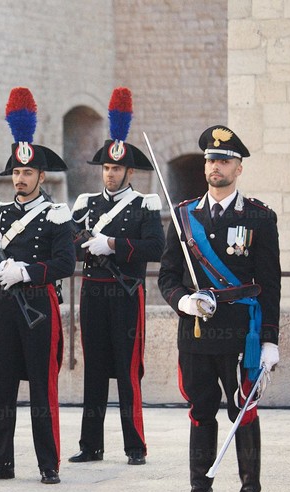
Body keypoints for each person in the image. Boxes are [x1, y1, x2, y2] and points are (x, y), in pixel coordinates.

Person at [158, 125, 280, 492]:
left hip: (242, 334)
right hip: (195, 332)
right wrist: (183, 302)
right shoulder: (183, 216)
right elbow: (167, 277)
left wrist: (271, 340)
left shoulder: (259, 218)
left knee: (243, 412)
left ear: (238, 168)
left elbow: (270, 284)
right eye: (211, 159)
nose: (216, 166)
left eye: (224, 161)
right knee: (200, 411)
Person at [0, 88, 75, 485]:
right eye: (16, 172)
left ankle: (48, 464)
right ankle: (1, 462)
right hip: (4, 306)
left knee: (42, 389)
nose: (20, 178)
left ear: (40, 176)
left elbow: (66, 262)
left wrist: (27, 271)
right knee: (3, 385)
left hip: (38, 306)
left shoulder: (55, 214)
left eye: (27, 172)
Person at [69, 88, 164, 466]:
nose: (110, 174)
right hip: (93, 293)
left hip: (126, 294)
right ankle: (91, 445)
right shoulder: (85, 205)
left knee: (127, 371)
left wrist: (112, 244)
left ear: (129, 172)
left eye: (116, 169)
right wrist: (87, 246)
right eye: (106, 168)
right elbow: (68, 247)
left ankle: (135, 445)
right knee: (93, 369)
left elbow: (155, 249)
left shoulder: (144, 205)